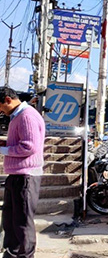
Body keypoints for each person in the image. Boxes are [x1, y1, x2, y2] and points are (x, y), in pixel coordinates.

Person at [0, 87, 45, 258]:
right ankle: (12, 253)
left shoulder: (27, 116)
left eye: (0, 107)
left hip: (26, 175)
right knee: (10, 221)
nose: (0, 111)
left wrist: (4, 151)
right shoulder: (17, 116)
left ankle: (25, 255)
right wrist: (4, 145)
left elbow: (29, 146)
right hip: (17, 174)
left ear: (8, 99)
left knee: (22, 223)